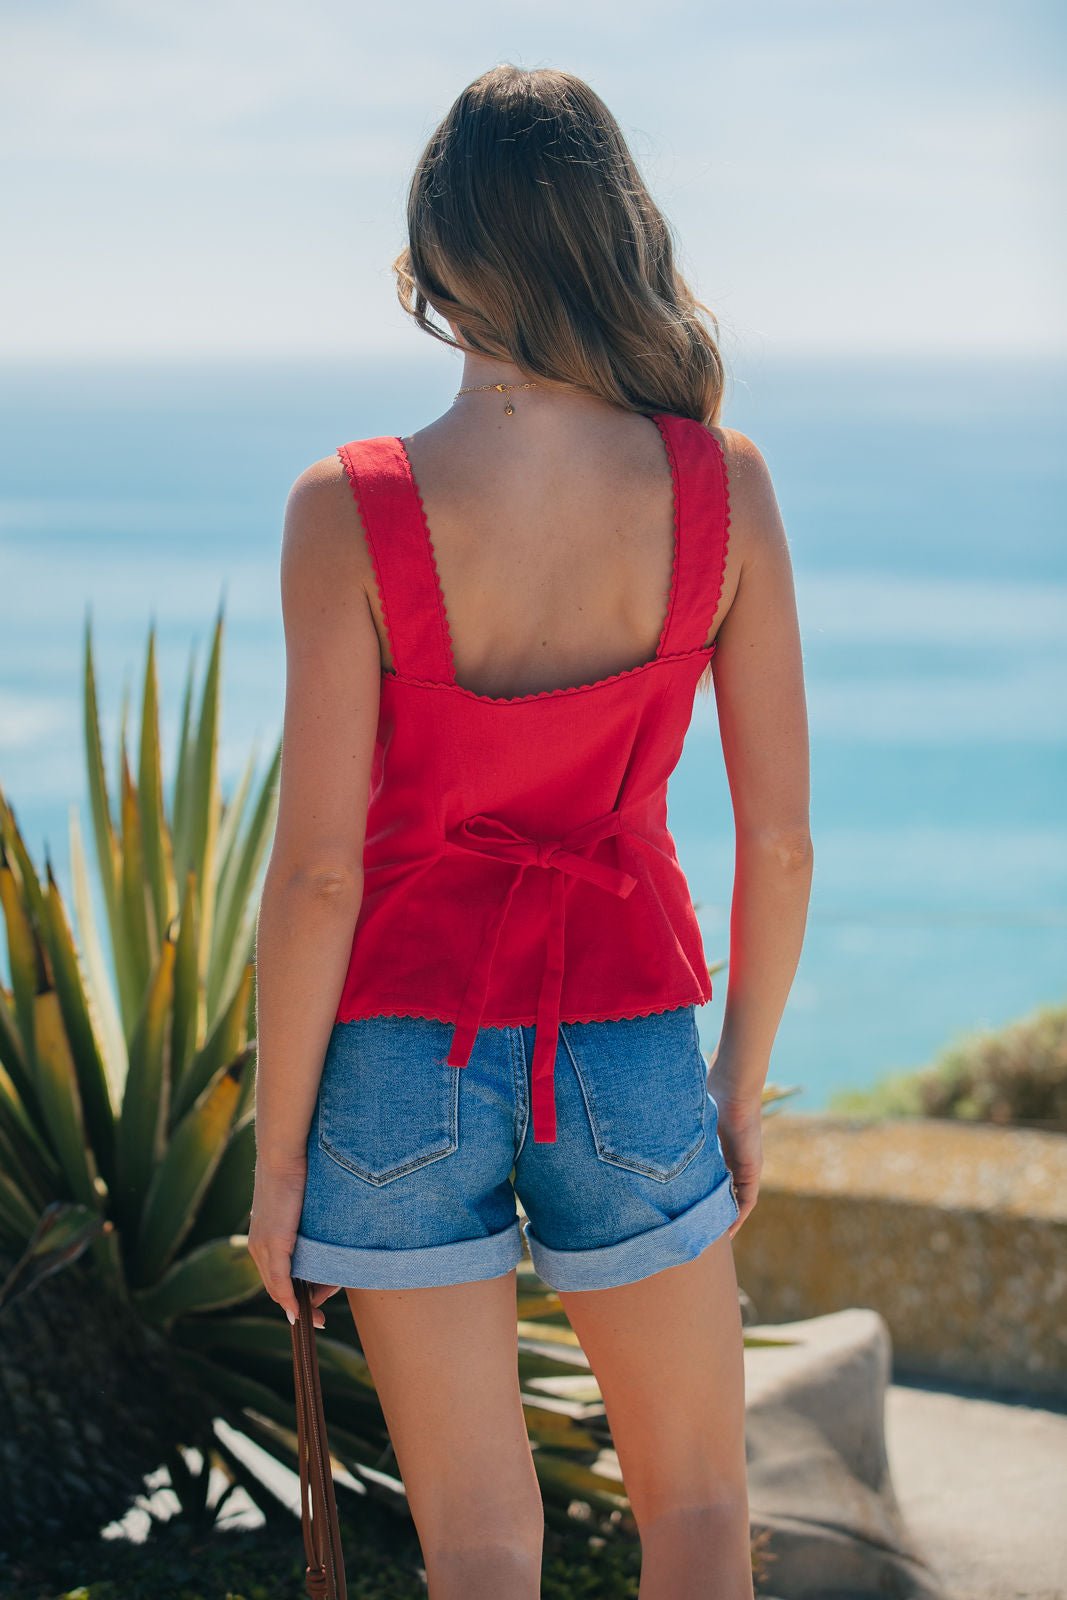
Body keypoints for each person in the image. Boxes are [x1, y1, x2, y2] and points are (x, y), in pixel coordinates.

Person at [249, 62, 812, 1600]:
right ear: (612, 236)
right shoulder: (722, 487)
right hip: (627, 1040)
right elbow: (777, 849)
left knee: (481, 1546)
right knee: (696, 1509)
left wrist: (281, 1154)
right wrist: (738, 1090)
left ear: (438, 258)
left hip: (391, 1058)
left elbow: (315, 874)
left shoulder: (344, 504)